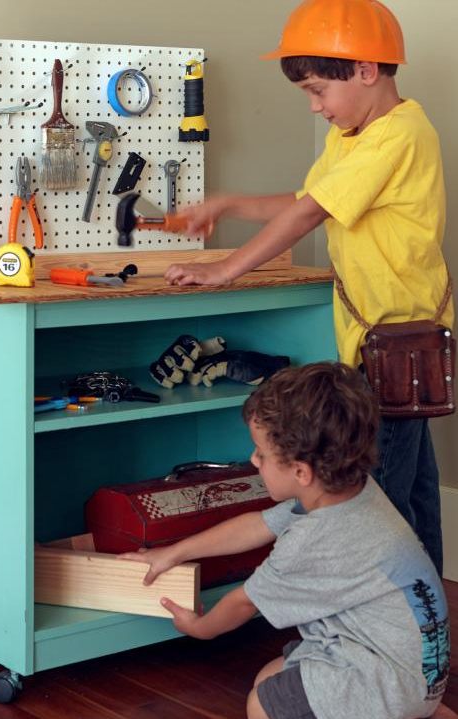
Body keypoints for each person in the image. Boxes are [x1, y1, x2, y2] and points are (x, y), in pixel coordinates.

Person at [164, 0, 454, 577]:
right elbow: (304, 201)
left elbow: (309, 215)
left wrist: (226, 269)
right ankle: (427, 632)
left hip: (397, 345)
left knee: (380, 503)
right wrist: (229, 205)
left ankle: (383, 634)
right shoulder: (353, 135)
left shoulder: (399, 133)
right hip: (374, 341)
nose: (315, 105)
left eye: (319, 90)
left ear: (367, 70)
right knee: (412, 490)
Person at [122, 362, 455, 719]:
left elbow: (242, 604)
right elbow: (255, 526)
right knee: (271, 675)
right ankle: (418, 711)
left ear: (301, 471)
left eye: (261, 455)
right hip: (414, 671)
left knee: (263, 705)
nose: (253, 460)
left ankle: (404, 711)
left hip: (387, 680)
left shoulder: (315, 541)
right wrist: (172, 553)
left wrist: (199, 628)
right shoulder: (352, 492)